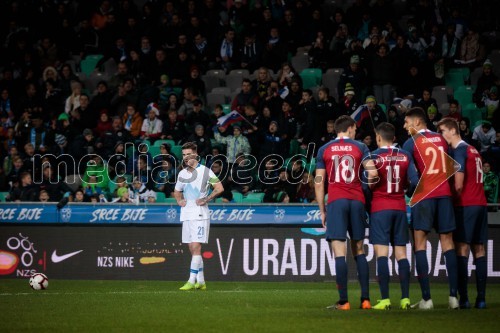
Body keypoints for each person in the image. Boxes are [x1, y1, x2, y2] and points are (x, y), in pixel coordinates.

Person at [314, 115, 378, 310]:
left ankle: (344, 302)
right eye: (355, 129)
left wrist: (322, 210)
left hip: (336, 202)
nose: (355, 132)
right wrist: (365, 189)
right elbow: (373, 173)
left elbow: (319, 182)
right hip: (357, 200)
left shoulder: (324, 149)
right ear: (350, 128)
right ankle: (365, 300)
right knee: (359, 249)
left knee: (339, 253)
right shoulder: (360, 147)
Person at [402, 108, 459, 309]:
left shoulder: (411, 142)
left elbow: (406, 172)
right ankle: (454, 297)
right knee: (448, 242)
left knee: (420, 243)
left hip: (425, 195)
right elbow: (452, 165)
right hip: (444, 194)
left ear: (417, 122)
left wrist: (410, 191)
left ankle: (427, 299)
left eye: (407, 122)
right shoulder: (441, 139)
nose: (404, 126)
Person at [437, 118, 488, 309]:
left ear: (452, 130)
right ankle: (481, 299)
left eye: (443, 132)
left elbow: (458, 185)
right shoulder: (473, 150)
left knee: (462, 250)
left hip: (465, 205)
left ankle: (464, 298)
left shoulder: (459, 150)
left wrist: (446, 196)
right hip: (481, 204)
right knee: (480, 250)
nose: (442, 136)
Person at [369, 122, 419, 310]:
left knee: (382, 254)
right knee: (401, 254)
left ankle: (385, 300)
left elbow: (368, 185)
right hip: (400, 208)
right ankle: (405, 299)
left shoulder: (372, 156)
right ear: (395, 138)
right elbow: (415, 182)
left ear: (379, 137)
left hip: (380, 208)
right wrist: (405, 189)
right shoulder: (405, 155)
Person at [174, 142, 224, 290]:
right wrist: (179, 200)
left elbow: (220, 187)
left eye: (189, 154)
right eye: (183, 155)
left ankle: (191, 280)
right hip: (187, 214)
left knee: (196, 246)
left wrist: (206, 199)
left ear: (195, 154)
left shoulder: (206, 171)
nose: (186, 157)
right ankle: (201, 281)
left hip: (200, 213)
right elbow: (177, 191)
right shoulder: (182, 174)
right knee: (192, 248)